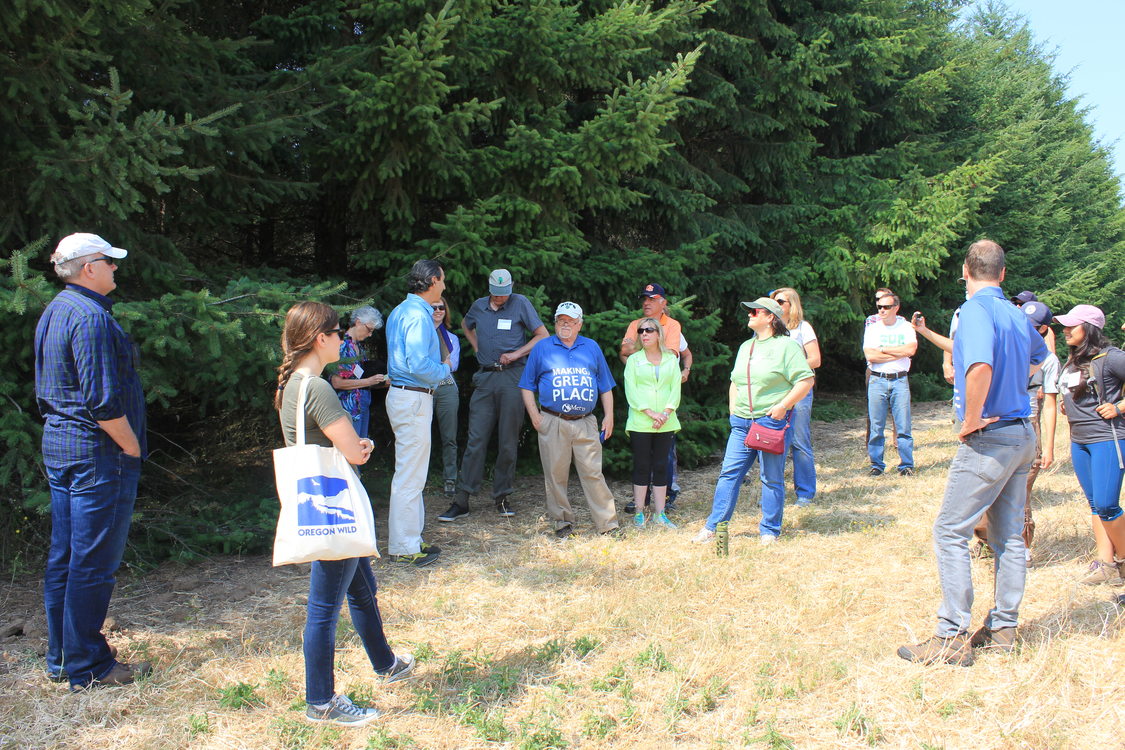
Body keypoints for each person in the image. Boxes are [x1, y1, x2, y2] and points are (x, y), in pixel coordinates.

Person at [897, 239, 1047, 667]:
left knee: (950, 530)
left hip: (992, 435)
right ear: (1002, 273)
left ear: (965, 271)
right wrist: (1014, 385)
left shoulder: (977, 311)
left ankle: (951, 637)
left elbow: (979, 366)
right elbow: (1041, 356)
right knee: (1008, 537)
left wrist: (972, 418)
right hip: (1021, 433)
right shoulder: (1017, 315)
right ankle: (1003, 628)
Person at [275, 301, 415, 726]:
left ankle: (386, 663)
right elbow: (353, 450)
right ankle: (321, 701)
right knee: (323, 608)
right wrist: (366, 446)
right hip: (332, 506)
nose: (343, 340)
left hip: (322, 500)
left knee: (361, 587)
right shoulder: (317, 387)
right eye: (337, 334)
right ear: (320, 339)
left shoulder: (293, 385)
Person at [35, 233, 151, 689]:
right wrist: (131, 446)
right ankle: (89, 665)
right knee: (93, 563)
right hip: (96, 456)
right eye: (109, 261)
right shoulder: (91, 319)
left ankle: (64, 657)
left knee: (66, 557)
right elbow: (103, 403)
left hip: (65, 450)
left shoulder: (57, 310)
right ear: (88, 268)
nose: (116, 268)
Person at [692, 298, 813, 546]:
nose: (748, 314)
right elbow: (735, 381)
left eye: (754, 311)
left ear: (771, 317)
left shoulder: (787, 347)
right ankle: (713, 527)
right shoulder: (746, 346)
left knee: (771, 477)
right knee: (729, 474)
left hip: (770, 423)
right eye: (748, 311)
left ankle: (769, 530)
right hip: (742, 422)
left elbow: (805, 380)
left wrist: (782, 406)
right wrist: (733, 411)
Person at [439, 269, 547, 521]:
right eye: (497, 295)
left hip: (512, 377)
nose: (501, 299)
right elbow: (466, 326)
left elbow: (542, 336)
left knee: (508, 440)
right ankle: (462, 499)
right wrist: (477, 347)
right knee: (476, 439)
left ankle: (502, 496)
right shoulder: (478, 307)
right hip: (485, 379)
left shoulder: (521, 303)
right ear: (489, 290)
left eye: (505, 294)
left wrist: (518, 354)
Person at [519, 302, 620, 538]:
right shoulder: (543, 348)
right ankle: (562, 523)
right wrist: (535, 415)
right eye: (560, 320)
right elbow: (526, 385)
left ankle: (608, 525)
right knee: (555, 474)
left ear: (579, 324)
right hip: (553, 421)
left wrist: (609, 415)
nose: (565, 324)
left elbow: (605, 386)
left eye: (570, 321)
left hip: (586, 421)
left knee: (593, 473)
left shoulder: (591, 347)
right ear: (555, 323)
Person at [973, 301, 1060, 559]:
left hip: (1028, 421)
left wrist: (1050, 448)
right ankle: (986, 540)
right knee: (990, 483)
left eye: (1033, 327)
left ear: (1043, 329)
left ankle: (1021, 546)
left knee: (1021, 490)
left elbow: (1051, 405)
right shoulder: (1005, 347)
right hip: (999, 420)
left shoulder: (1049, 359)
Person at [1053, 305, 1125, 586]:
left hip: (1107, 439)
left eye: (1073, 325)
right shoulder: (1073, 360)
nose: (1066, 330)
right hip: (1079, 440)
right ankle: (1106, 565)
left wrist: (1119, 407)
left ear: (1090, 329)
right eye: (1065, 325)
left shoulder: (1111, 358)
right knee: (1095, 505)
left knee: (1107, 504)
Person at [384, 259, 451, 566]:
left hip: (404, 396)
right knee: (410, 476)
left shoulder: (401, 311)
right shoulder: (418, 316)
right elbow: (417, 364)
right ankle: (404, 547)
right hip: (413, 397)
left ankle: (412, 539)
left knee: (410, 473)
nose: (445, 286)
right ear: (433, 280)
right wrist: (444, 369)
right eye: (443, 280)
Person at [619, 282, 692, 514]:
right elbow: (625, 351)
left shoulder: (673, 325)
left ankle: (667, 496)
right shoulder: (635, 324)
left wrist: (638, 348)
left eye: (652, 299)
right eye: (644, 298)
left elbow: (670, 355)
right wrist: (639, 353)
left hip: (666, 405)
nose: (646, 302)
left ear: (663, 303)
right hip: (642, 409)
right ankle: (642, 502)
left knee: (664, 458)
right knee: (641, 461)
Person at [624, 317, 681, 528]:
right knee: (641, 465)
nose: (644, 334)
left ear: (659, 334)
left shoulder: (670, 359)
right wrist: (650, 413)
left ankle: (660, 513)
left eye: (649, 330)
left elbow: (675, 390)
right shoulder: (633, 360)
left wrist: (664, 413)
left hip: (666, 422)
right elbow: (631, 391)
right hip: (641, 422)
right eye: (641, 331)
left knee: (660, 466)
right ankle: (639, 513)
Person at [771, 287, 821, 506]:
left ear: (792, 305)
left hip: (799, 390)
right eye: (773, 301)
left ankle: (805, 493)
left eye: (781, 301)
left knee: (799, 442)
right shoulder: (767, 329)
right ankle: (774, 494)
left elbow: (815, 360)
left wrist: (790, 369)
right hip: (774, 392)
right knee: (774, 442)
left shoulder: (803, 328)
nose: (776, 305)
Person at [863, 291, 917, 476]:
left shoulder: (906, 327)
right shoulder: (873, 328)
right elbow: (870, 355)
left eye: (886, 307)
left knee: (903, 426)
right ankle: (876, 464)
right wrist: (898, 352)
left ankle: (906, 465)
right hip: (877, 379)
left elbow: (911, 349)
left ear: (896, 308)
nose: (882, 310)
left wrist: (883, 349)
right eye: (879, 307)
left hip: (900, 379)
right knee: (877, 426)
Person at [329, 306, 386, 440]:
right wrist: (368, 381)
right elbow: (336, 382)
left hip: (361, 407)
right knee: (349, 452)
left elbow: (361, 378)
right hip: (347, 410)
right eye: (369, 329)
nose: (370, 334)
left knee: (360, 451)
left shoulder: (359, 348)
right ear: (358, 322)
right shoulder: (342, 344)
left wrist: (380, 382)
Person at [431, 296, 461, 497]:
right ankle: (418, 477)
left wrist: (439, 366)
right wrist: (443, 364)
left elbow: (454, 365)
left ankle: (450, 478)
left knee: (449, 436)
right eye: (434, 307)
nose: (438, 310)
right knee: (419, 436)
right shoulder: (420, 335)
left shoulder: (452, 339)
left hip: (446, 388)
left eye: (442, 307)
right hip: (423, 388)